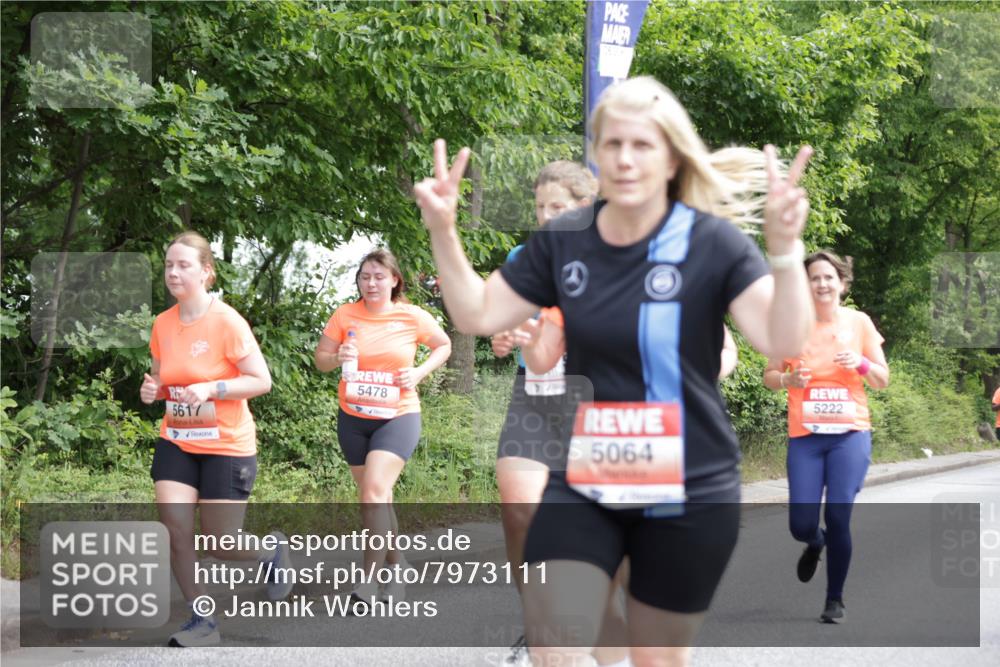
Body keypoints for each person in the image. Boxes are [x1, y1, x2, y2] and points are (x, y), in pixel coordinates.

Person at [414, 75, 814, 667]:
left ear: (672, 156)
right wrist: (443, 231)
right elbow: (476, 312)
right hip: (589, 474)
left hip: (690, 483)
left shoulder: (714, 243)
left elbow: (784, 339)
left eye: (643, 145)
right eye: (612, 145)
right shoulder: (565, 242)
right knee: (558, 639)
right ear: (596, 156)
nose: (626, 159)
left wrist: (784, 252)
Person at [491, 161, 630, 667]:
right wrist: (503, 337)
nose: (546, 217)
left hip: (596, 409)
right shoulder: (524, 258)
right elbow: (500, 326)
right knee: (519, 509)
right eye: (539, 208)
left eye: (558, 207)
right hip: (535, 400)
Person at [140, 231, 293, 647]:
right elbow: (162, 381)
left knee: (220, 542)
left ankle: (271, 553)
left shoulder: (226, 321)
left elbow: (261, 381)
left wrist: (213, 389)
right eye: (169, 264)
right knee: (175, 530)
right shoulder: (162, 324)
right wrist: (153, 391)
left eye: (183, 265)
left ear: (206, 272)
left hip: (226, 443)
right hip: (178, 439)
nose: (173, 272)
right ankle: (202, 620)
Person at [314, 248, 451, 607]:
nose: (371, 283)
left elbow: (444, 345)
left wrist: (420, 372)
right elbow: (320, 361)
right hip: (353, 418)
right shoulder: (344, 314)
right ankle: (399, 565)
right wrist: (336, 356)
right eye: (364, 277)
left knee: (374, 492)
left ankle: (368, 583)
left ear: (394, 280)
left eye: (378, 276)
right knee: (376, 500)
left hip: (398, 416)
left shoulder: (411, 316)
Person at [764, 250, 889, 624]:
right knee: (801, 523)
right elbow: (770, 376)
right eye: (814, 278)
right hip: (806, 437)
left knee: (838, 515)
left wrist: (862, 363)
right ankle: (813, 543)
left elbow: (882, 379)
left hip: (849, 434)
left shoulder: (859, 322)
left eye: (828, 277)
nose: (821, 284)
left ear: (842, 283)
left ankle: (835, 600)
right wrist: (788, 379)